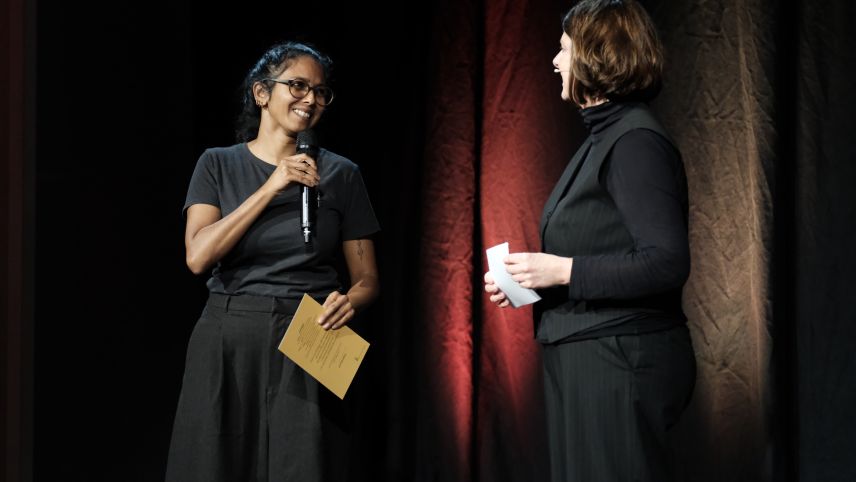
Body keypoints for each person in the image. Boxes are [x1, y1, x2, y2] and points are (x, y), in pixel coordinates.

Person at [484, 1, 696, 480]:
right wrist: (530, 280)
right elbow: (605, 244)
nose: (556, 61)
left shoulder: (635, 142)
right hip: (592, 356)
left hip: (619, 359)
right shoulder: (605, 139)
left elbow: (666, 261)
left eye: (564, 49)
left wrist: (562, 271)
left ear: (598, 56)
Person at [166, 41, 380, 482]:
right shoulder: (217, 164)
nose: (310, 100)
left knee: (304, 464)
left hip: (310, 330)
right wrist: (271, 186)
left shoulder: (342, 174)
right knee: (215, 462)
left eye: (321, 92)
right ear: (261, 93)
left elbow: (367, 280)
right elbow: (197, 257)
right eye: (297, 86)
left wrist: (351, 301)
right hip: (230, 331)